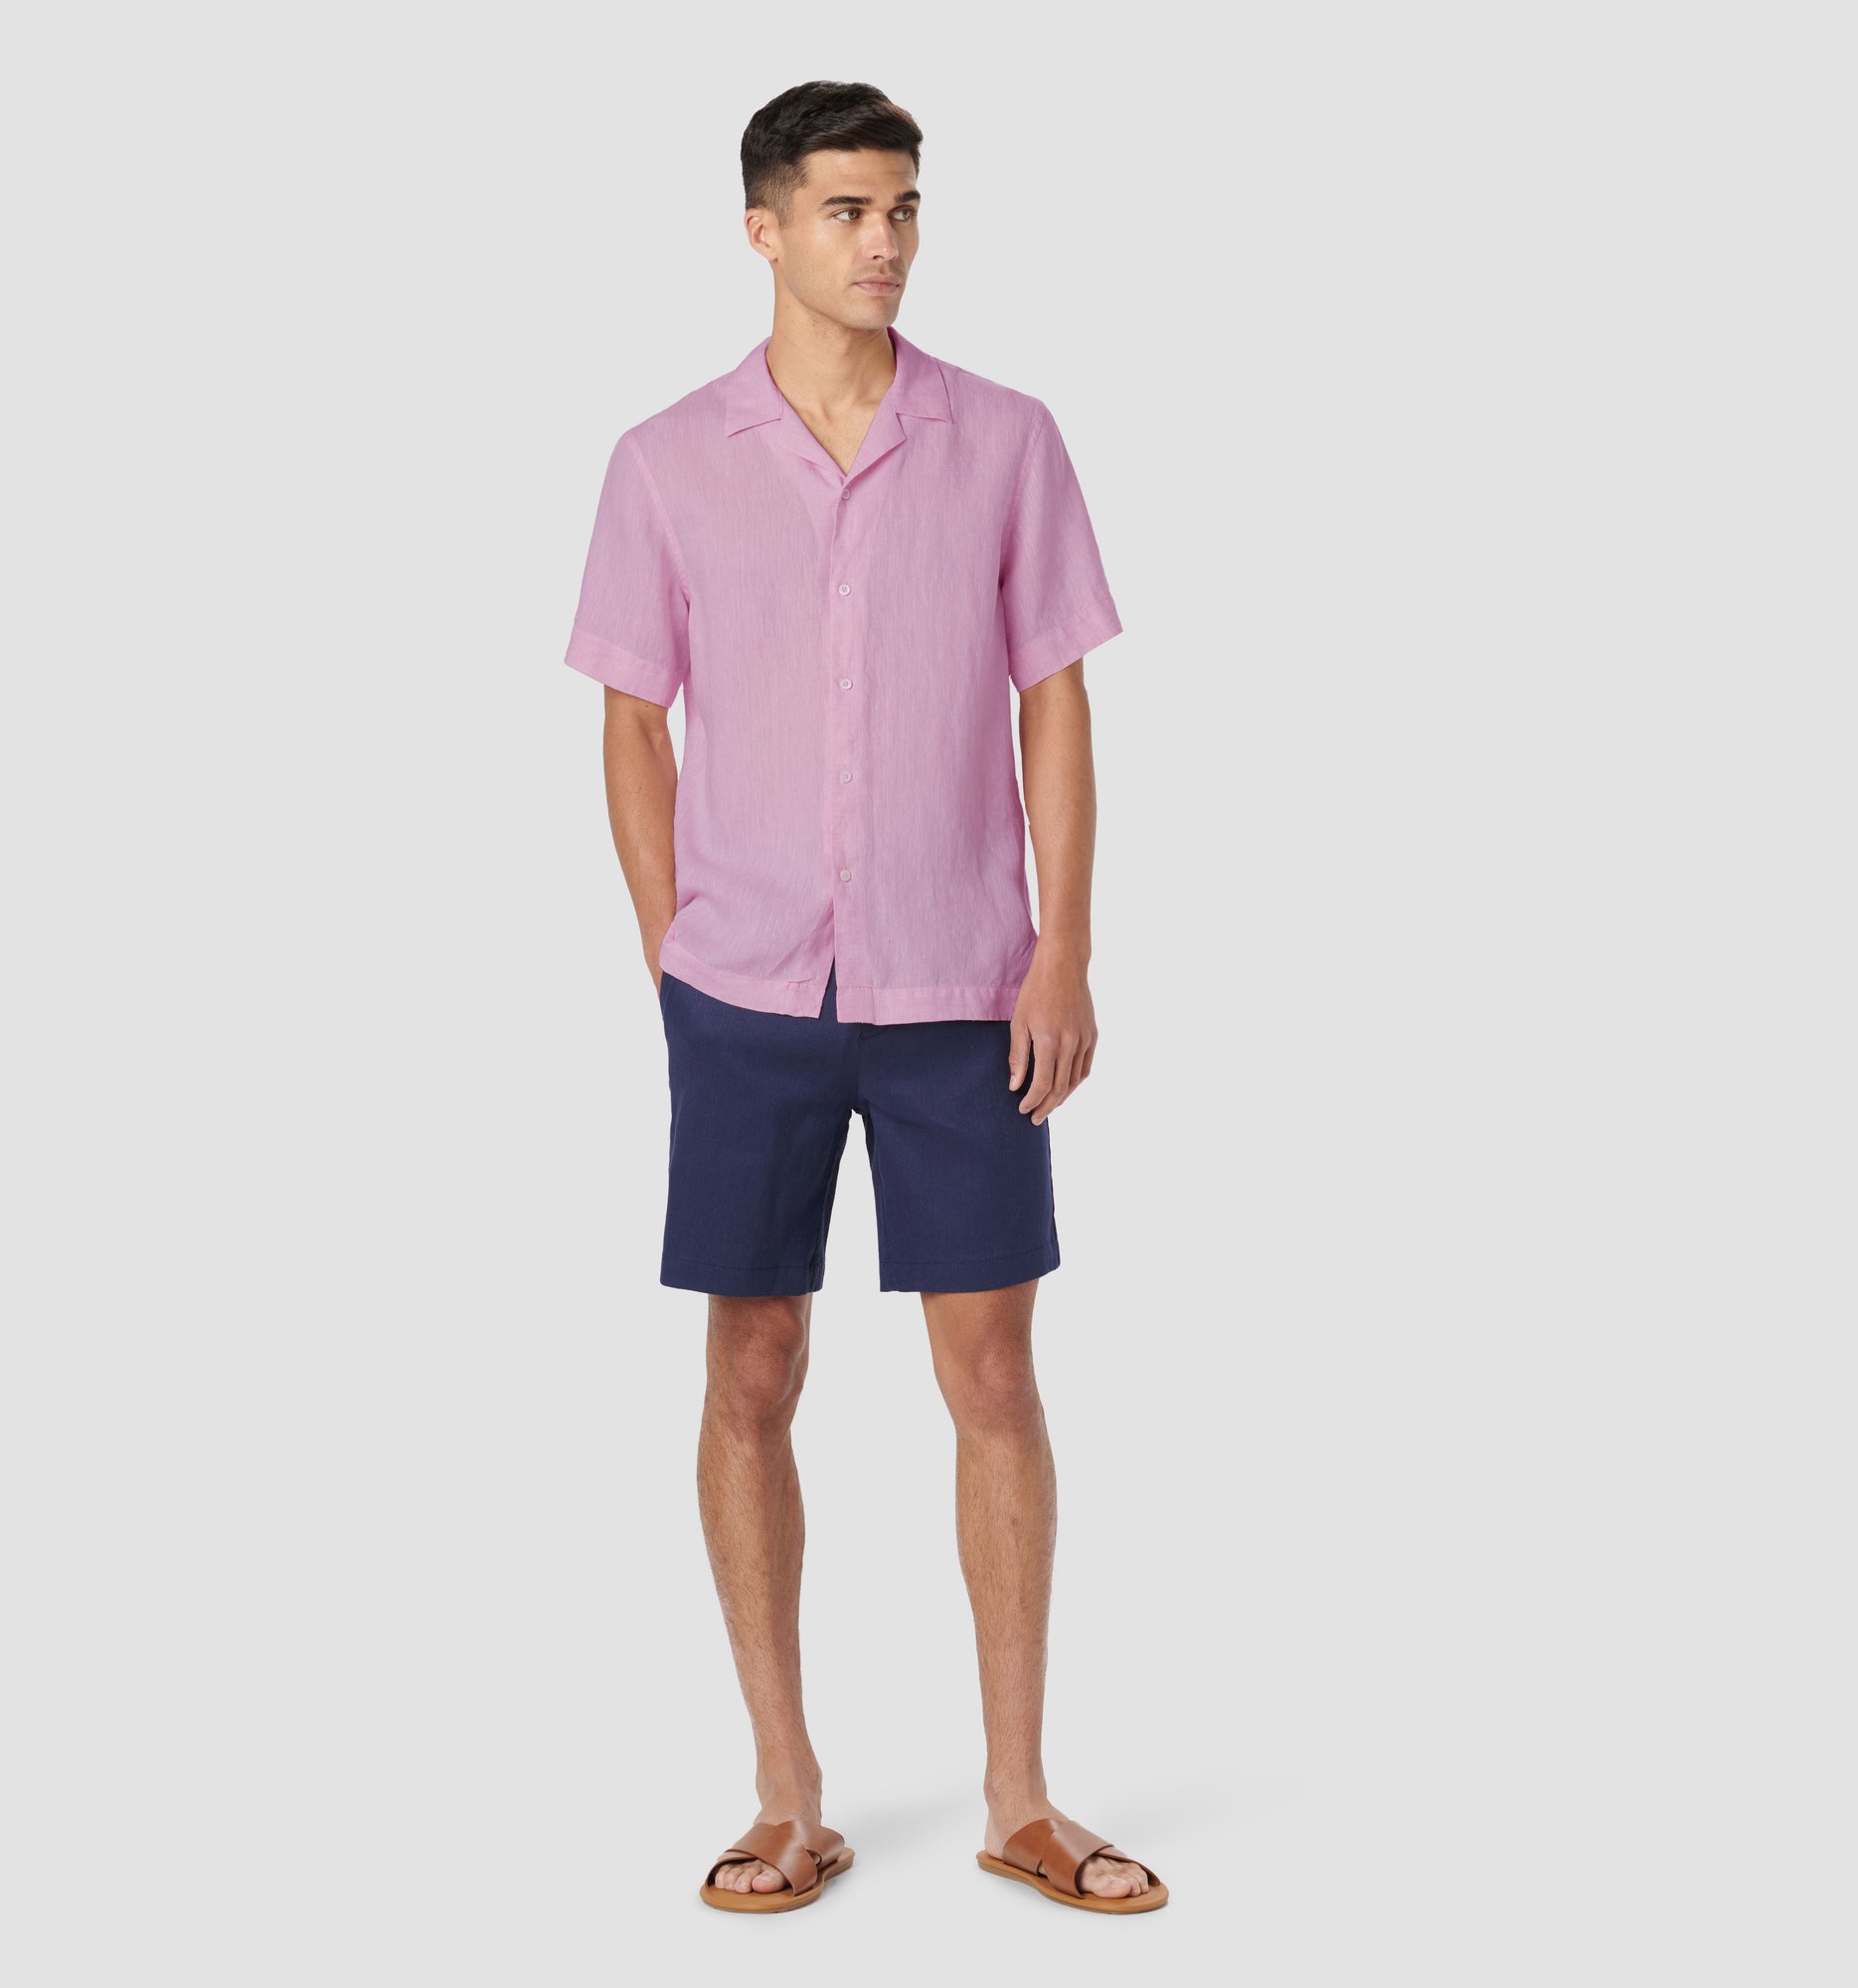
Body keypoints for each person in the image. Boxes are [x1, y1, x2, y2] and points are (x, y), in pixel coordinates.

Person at [562, 80, 1166, 1917]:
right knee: (751, 1369)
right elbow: (631, 718)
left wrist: (1063, 946)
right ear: (763, 229)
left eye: (902, 208)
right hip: (741, 991)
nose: (883, 241)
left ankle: (1019, 1799)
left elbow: (1054, 697)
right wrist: (676, 947)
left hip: (962, 982)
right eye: (845, 210)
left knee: (994, 1372)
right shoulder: (665, 459)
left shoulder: (1007, 440)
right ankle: (787, 1794)